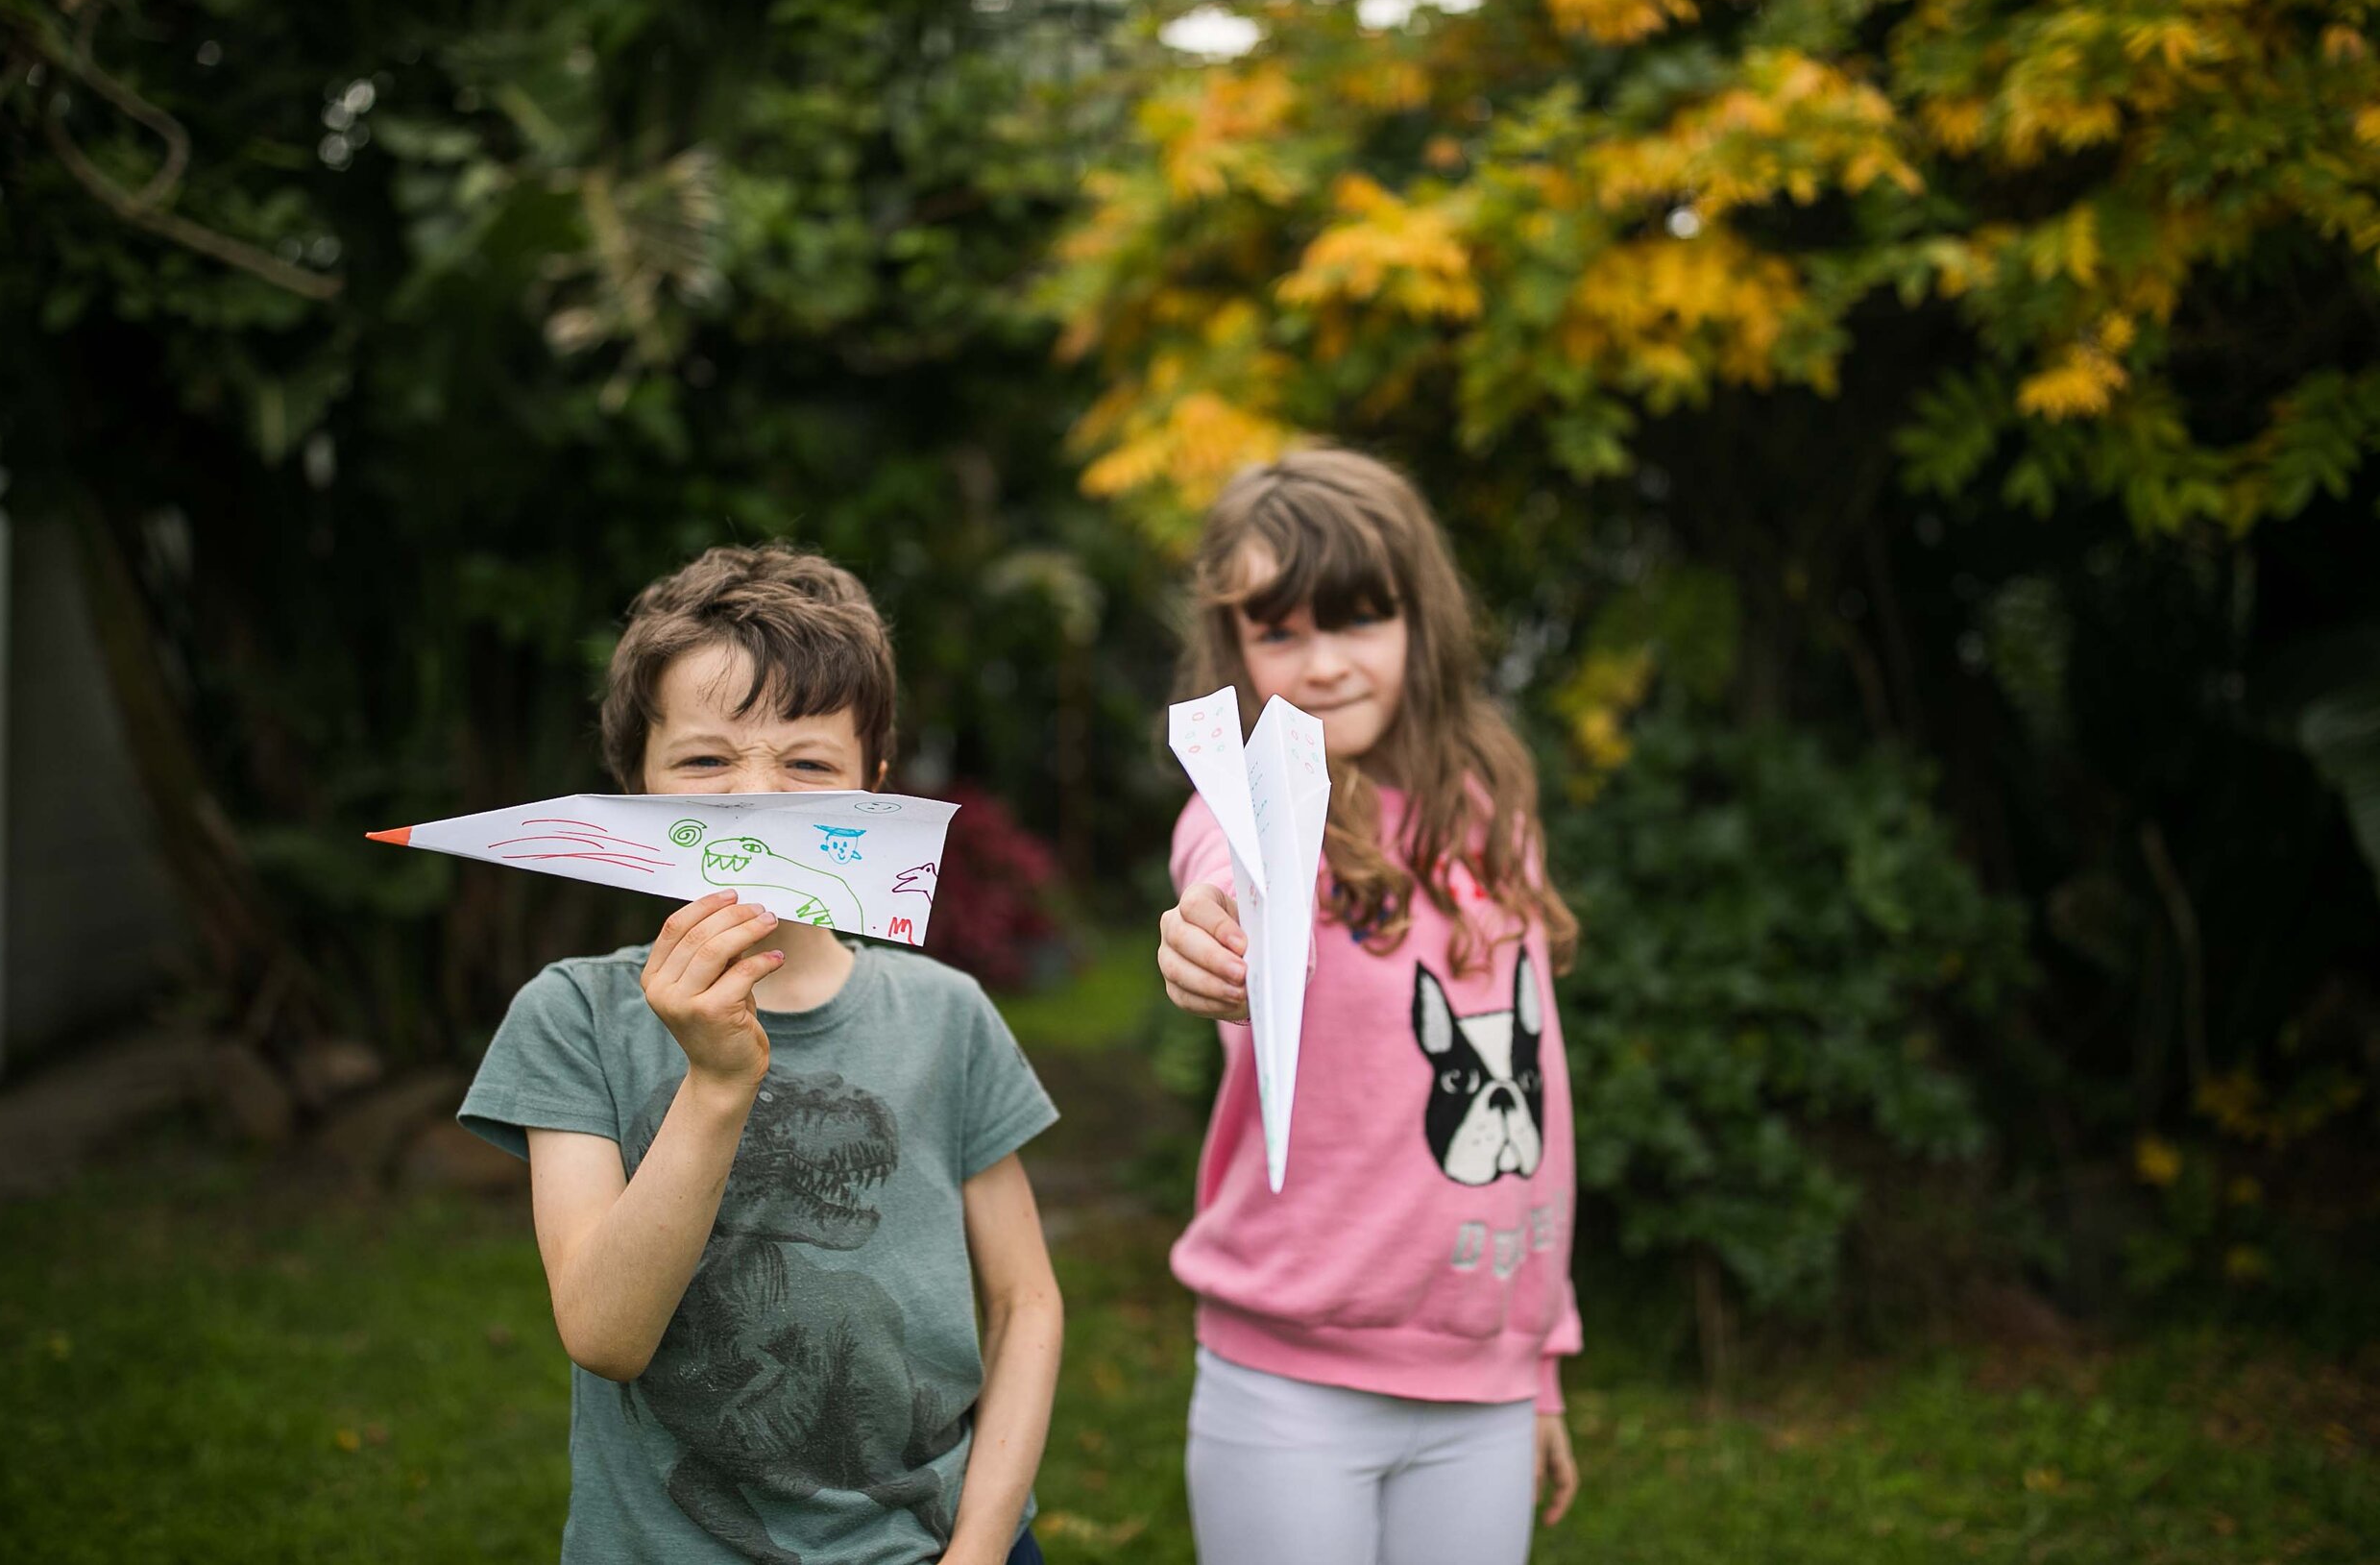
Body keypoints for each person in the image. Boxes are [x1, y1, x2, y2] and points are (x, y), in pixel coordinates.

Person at [457, 542, 1060, 1565]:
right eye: (704, 759)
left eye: (806, 762)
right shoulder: (572, 1014)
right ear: (633, 784)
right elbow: (606, 1333)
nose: (755, 796)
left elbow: (1024, 1300)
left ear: (871, 782)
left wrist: (980, 1545)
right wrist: (718, 1080)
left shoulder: (948, 1014)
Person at [1154, 449, 1585, 1565]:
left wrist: (1537, 1364)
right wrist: (1210, 934)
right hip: (1289, 1380)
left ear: (1418, 618)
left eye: (1358, 619)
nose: (1327, 663)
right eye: (1281, 631)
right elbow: (1227, 880)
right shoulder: (1253, 804)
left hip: (1484, 1378)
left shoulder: (1488, 806)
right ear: (1235, 651)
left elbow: (1535, 1102)